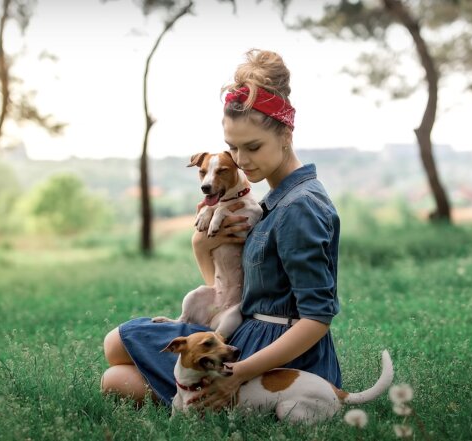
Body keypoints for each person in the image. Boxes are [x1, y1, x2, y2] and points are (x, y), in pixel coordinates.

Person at [101, 49, 341, 411]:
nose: (241, 160)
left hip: (276, 354)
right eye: (233, 148)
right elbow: (229, 292)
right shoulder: (274, 198)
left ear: (286, 133)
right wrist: (201, 246)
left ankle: (212, 400)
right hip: (241, 327)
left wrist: (239, 373)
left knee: (116, 377)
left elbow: (317, 319)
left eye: (253, 147)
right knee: (116, 345)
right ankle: (190, 396)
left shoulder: (300, 206)